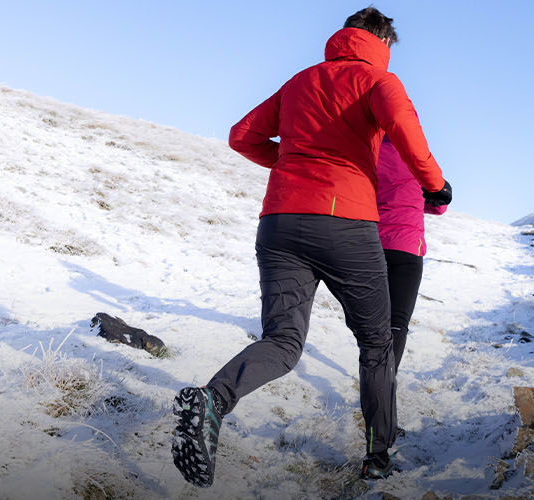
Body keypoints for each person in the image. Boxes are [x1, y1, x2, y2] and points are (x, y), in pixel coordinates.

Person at [172, 6, 454, 487]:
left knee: (282, 341)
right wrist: (437, 184)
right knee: (377, 343)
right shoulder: (379, 82)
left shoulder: (300, 81)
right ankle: (378, 454)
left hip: (279, 222)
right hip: (345, 222)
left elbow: (242, 136)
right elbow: (408, 136)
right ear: (383, 43)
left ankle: (212, 400)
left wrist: (290, 161)